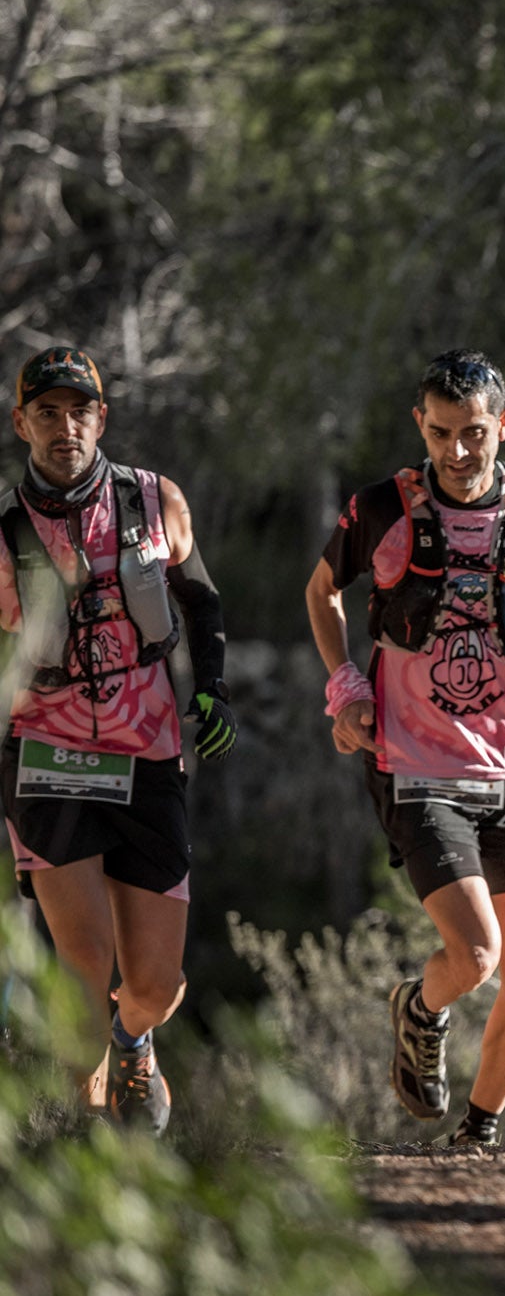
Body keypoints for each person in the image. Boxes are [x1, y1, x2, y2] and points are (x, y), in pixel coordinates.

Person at [305, 349, 505, 1146]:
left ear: (503, 426)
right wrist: (345, 686)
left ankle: (477, 1132)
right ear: (421, 423)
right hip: (419, 768)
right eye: (441, 432)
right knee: (478, 951)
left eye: (474, 433)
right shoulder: (383, 508)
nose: (457, 451)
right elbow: (321, 592)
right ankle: (420, 1006)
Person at [1, 345, 238, 1134]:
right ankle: (82, 1136)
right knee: (82, 961)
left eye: (80, 411)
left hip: (146, 752)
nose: (65, 427)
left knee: (157, 981)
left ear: (102, 417)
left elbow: (199, 601)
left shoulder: (152, 499)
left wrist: (210, 688)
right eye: (47, 412)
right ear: (22, 422)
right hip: (45, 753)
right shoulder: (4, 529)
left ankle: (134, 1041)